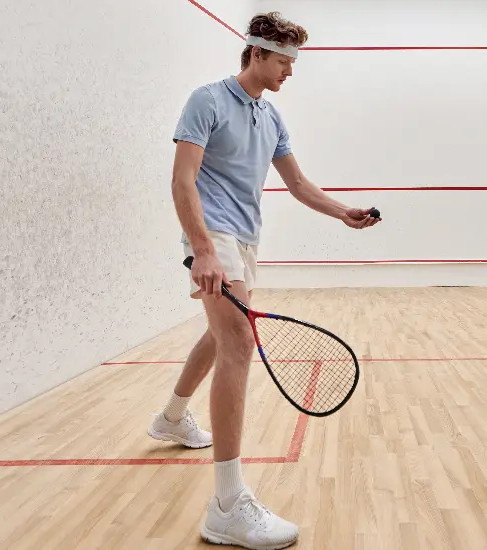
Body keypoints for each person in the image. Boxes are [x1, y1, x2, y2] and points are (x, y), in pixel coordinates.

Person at [147, 11, 380, 550]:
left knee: (220, 335)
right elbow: (182, 181)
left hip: (246, 238)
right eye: (283, 61)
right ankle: (227, 505)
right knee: (237, 341)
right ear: (256, 53)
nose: (289, 72)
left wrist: (343, 212)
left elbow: (297, 183)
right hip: (214, 233)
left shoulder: (270, 116)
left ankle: (172, 417)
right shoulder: (207, 100)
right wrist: (203, 250)